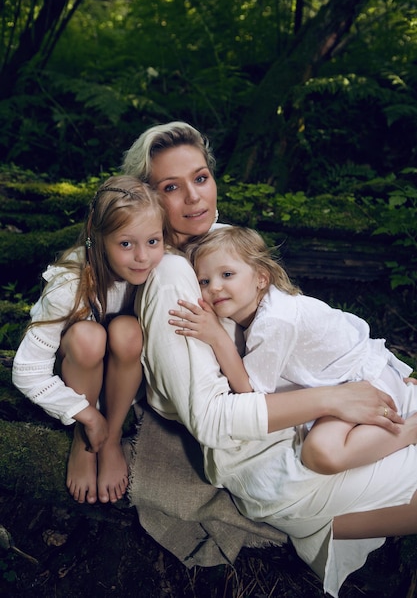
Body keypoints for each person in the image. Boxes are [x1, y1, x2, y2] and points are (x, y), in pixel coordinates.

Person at [122, 121, 417, 598]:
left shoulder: (212, 242)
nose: (195, 198)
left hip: (294, 431)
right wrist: (337, 398)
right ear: (149, 200)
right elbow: (216, 419)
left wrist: (362, 375)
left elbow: (298, 327)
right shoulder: (174, 275)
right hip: (271, 457)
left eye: (200, 178)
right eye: (171, 188)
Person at [167, 225, 417, 475]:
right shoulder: (261, 311)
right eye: (204, 281)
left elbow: (250, 392)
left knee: (322, 453)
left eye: (228, 274)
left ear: (261, 278)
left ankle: (411, 428)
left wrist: (217, 338)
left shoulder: (274, 321)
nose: (215, 287)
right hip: (354, 377)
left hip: (363, 382)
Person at [12, 176, 166, 505]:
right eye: (126, 244)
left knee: (128, 332)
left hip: (124, 378)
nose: (142, 257)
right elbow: (26, 370)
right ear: (97, 235)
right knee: (88, 336)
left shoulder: (160, 274)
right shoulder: (70, 283)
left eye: (153, 241)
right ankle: (85, 441)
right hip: (78, 374)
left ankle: (110, 439)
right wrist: (86, 415)